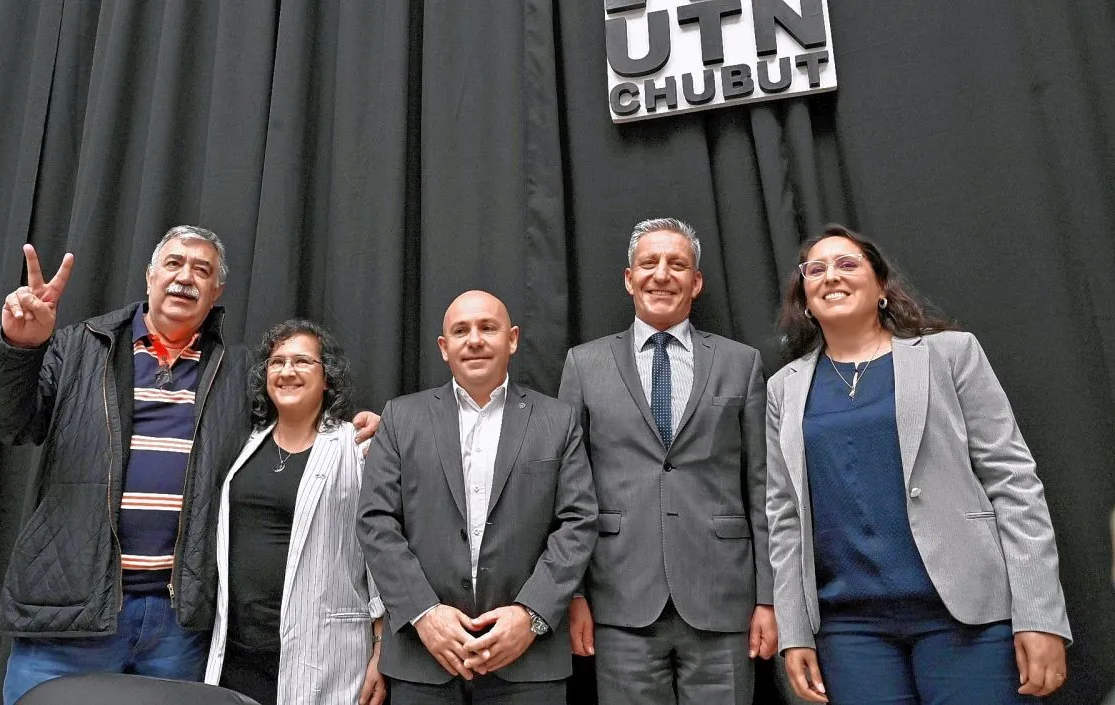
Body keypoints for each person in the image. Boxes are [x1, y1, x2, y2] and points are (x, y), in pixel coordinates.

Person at [0, 226, 380, 704]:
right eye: (174, 263)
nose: (186, 277)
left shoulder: (238, 372)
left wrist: (359, 432)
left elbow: (294, 423)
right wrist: (19, 348)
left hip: (179, 626)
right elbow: (0, 421)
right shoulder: (79, 347)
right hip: (72, 615)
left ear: (216, 291)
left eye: (202, 270)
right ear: (149, 277)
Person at [765, 224, 1071, 703]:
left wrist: (1040, 615)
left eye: (847, 264)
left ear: (881, 288)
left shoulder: (950, 354)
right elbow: (784, 516)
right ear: (804, 298)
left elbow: (1013, 482)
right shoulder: (783, 388)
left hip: (966, 617)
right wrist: (795, 631)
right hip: (849, 629)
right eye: (815, 269)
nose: (830, 276)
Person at [558, 217, 777, 705]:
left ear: (696, 282)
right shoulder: (584, 364)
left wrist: (768, 597)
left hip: (724, 600)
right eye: (648, 263)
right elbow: (568, 490)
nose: (661, 274)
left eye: (677, 265)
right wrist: (574, 595)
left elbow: (762, 486)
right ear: (628, 278)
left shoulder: (741, 363)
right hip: (619, 600)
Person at [357, 290, 597, 705]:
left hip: (527, 663)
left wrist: (531, 615)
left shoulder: (558, 420)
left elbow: (578, 522)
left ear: (513, 339)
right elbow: (375, 521)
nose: (474, 340)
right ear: (443, 346)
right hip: (422, 659)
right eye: (460, 330)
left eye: (488, 328)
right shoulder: (400, 417)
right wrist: (423, 614)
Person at [204, 320, 385, 705]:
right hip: (238, 653)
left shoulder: (357, 447)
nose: (287, 371)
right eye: (277, 362)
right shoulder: (243, 443)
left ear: (327, 378)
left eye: (303, 361)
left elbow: (381, 554)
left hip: (324, 656)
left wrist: (381, 649)